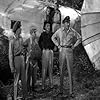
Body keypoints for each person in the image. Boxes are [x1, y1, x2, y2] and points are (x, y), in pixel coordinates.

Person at [52, 16, 81, 96]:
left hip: (69, 51)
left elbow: (79, 38)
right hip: (62, 51)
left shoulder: (72, 31)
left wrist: (74, 46)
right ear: (63, 23)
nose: (68, 24)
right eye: (66, 22)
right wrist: (58, 45)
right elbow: (53, 37)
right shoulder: (59, 31)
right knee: (61, 71)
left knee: (70, 71)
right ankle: (61, 90)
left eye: (68, 22)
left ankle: (71, 92)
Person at [9, 21, 28, 100]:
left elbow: (23, 48)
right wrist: (12, 66)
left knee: (23, 78)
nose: (21, 29)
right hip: (16, 59)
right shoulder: (12, 40)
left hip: (22, 58)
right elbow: (10, 55)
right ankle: (16, 97)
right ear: (16, 29)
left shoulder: (21, 38)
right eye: (20, 28)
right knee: (16, 79)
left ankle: (24, 96)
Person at [25, 26, 41, 93]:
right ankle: (28, 89)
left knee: (34, 75)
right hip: (30, 60)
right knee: (29, 75)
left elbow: (39, 49)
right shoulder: (28, 40)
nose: (35, 34)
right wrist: (27, 54)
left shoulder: (36, 41)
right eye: (34, 32)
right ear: (31, 33)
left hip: (35, 60)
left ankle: (33, 88)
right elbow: (23, 47)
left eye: (35, 32)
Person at [38, 21, 55, 90]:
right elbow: (39, 42)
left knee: (50, 67)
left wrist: (53, 47)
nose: (48, 27)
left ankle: (51, 84)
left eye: (49, 26)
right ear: (44, 27)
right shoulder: (43, 34)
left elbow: (54, 41)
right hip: (45, 51)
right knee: (44, 68)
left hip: (51, 51)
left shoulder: (52, 34)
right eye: (47, 26)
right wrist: (43, 48)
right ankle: (43, 85)